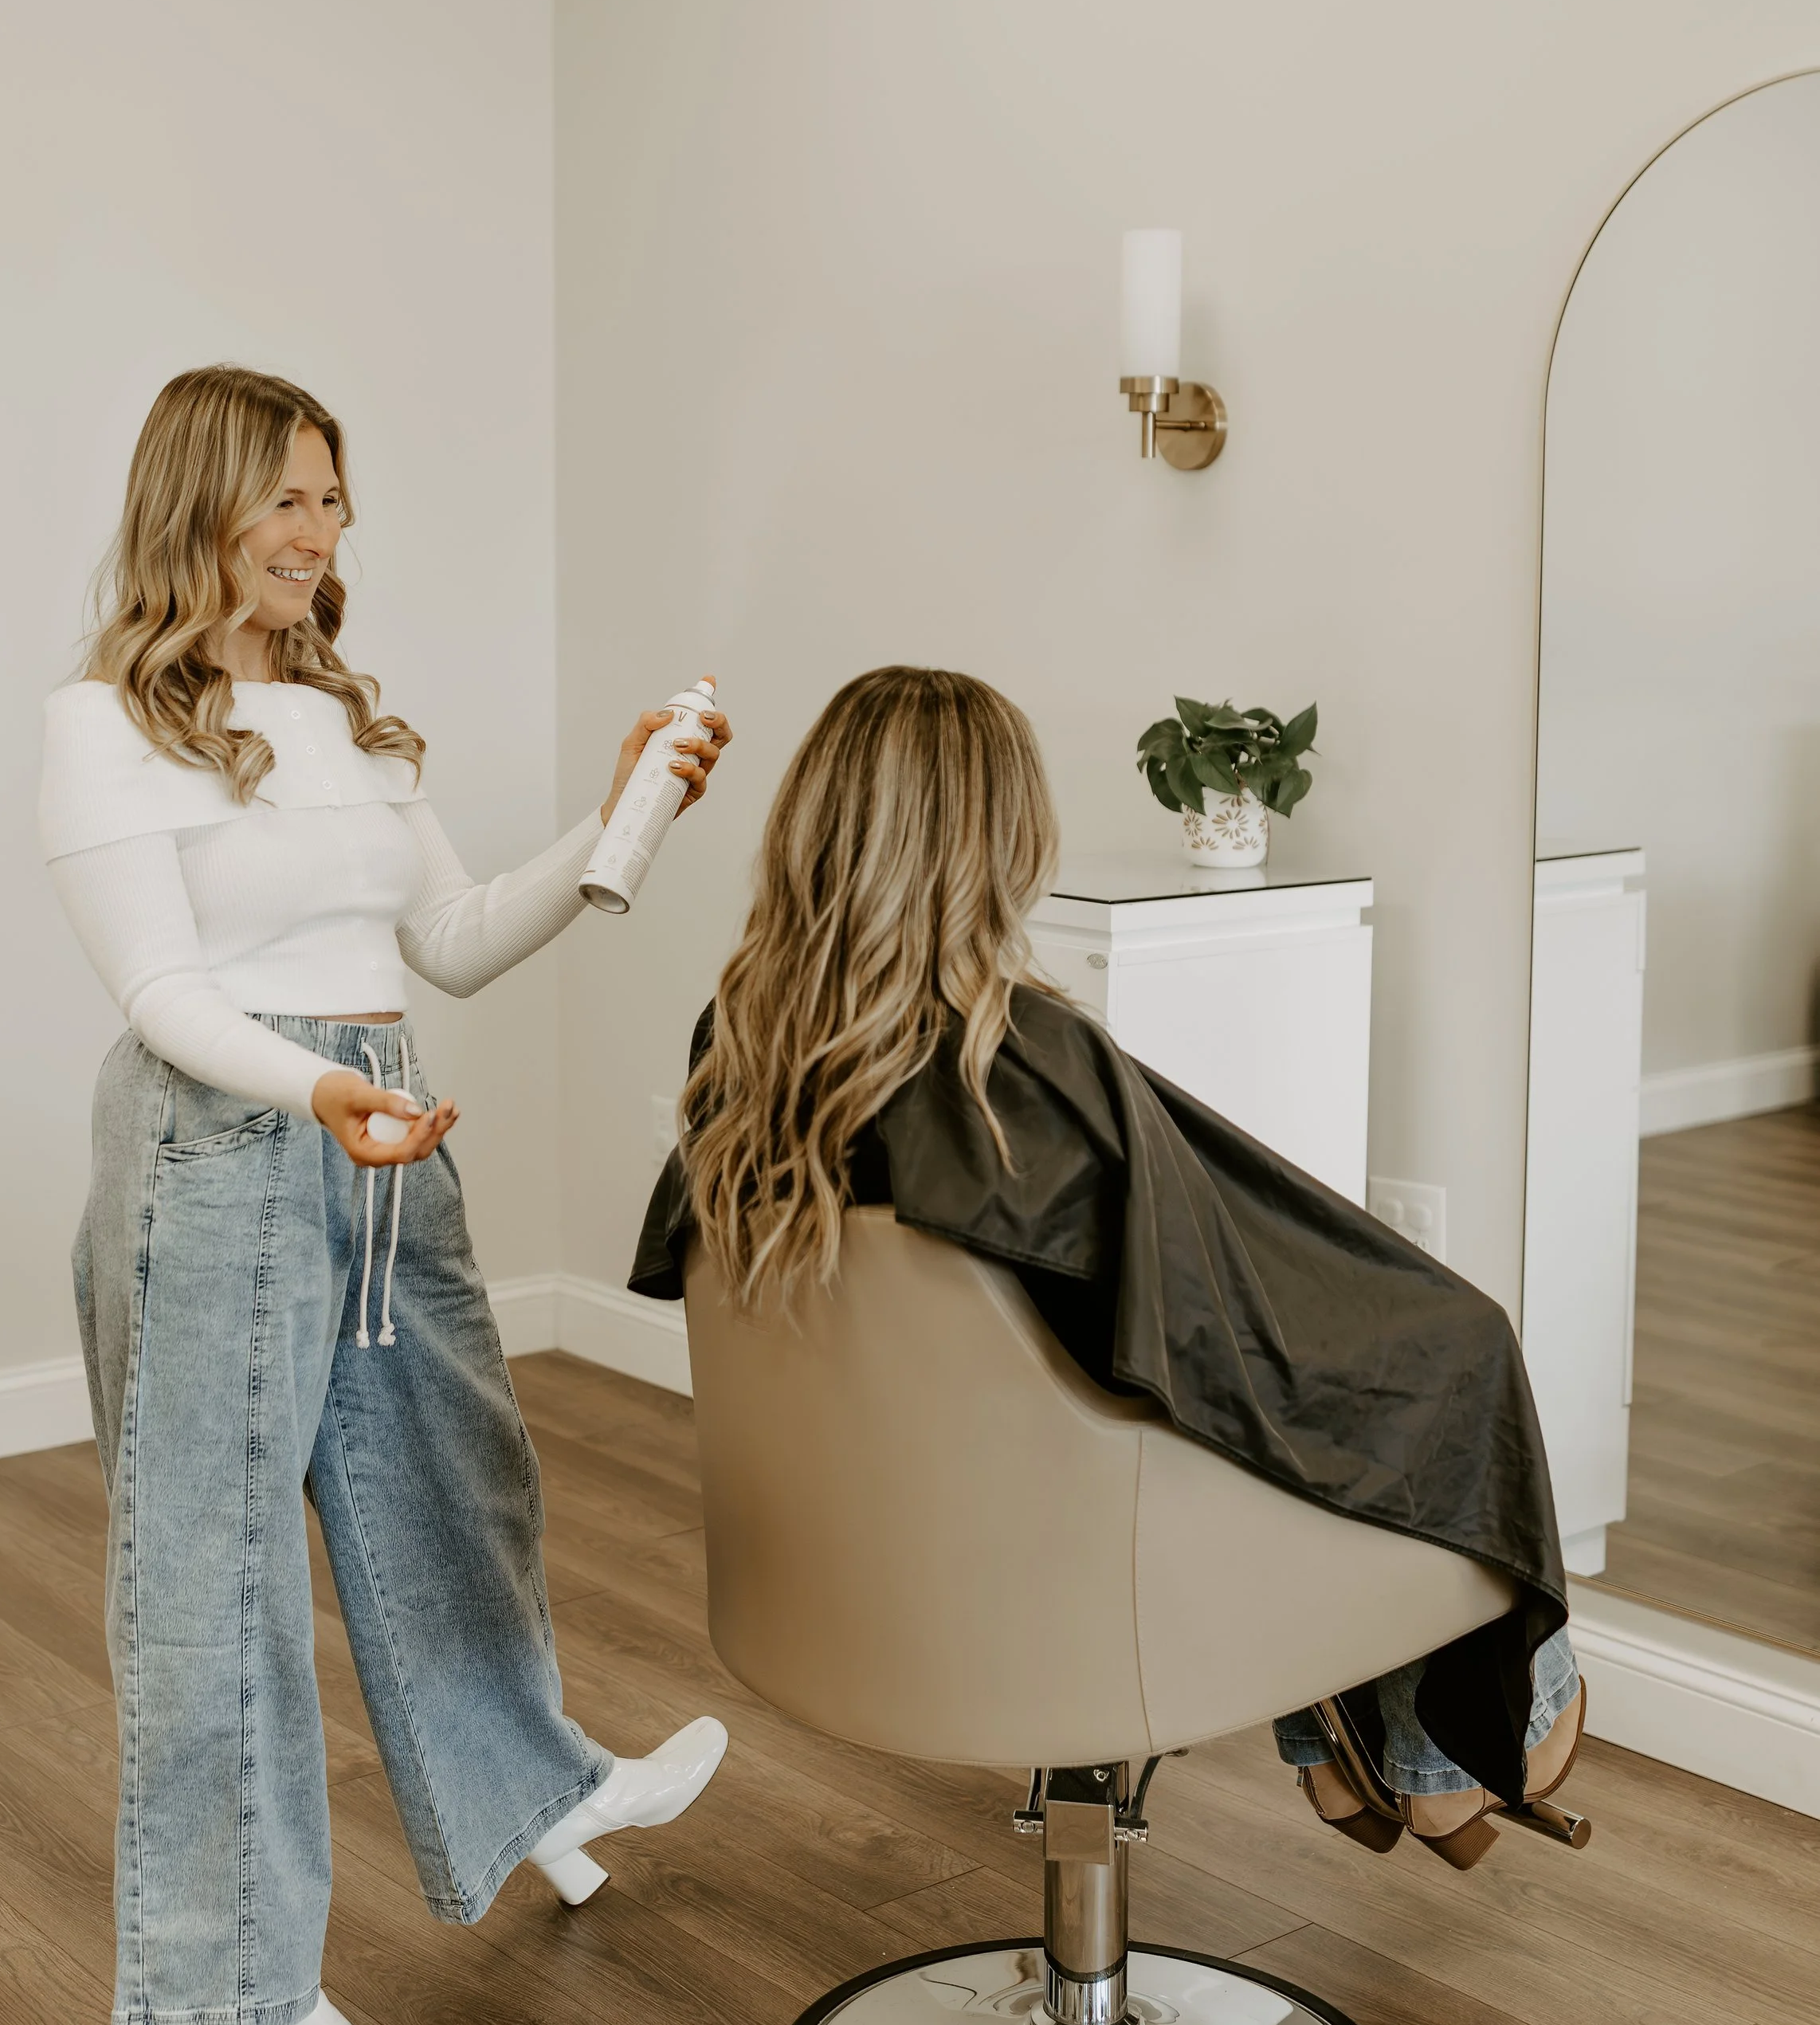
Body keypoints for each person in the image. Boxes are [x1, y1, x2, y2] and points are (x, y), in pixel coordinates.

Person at [41, 365, 733, 2025]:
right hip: (228, 1136)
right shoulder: (102, 723)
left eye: (333, 503)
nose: (315, 531)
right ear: (195, 499)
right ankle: (246, 1980)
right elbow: (162, 990)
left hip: (384, 1123)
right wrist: (312, 1095)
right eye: (284, 496)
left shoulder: (348, 719)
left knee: (449, 1472)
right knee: (213, 1570)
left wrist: (620, 809)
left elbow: (455, 934)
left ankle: (540, 1787)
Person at [631, 665, 1584, 1868]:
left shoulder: (742, 1051)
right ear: (1002, 840)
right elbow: (1205, 1331)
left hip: (863, 1561)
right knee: (1447, 1350)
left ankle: (1373, 1738)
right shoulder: (1020, 1059)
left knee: (1320, 1379)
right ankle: (1446, 1752)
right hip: (1068, 1558)